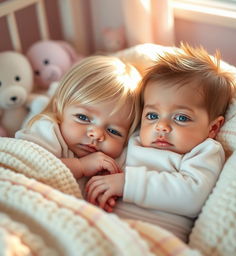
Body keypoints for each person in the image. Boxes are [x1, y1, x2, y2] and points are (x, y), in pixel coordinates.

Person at [85, 43, 235, 242]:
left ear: (213, 128)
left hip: (155, 238)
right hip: (104, 226)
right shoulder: (136, 140)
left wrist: (127, 184)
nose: (161, 126)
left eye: (181, 117)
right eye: (152, 115)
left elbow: (192, 197)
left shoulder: (204, 151)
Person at [15, 55, 142, 210]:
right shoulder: (47, 130)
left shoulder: (118, 157)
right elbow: (27, 168)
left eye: (113, 131)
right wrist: (80, 166)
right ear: (58, 109)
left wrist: (107, 193)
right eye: (83, 117)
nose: (96, 134)